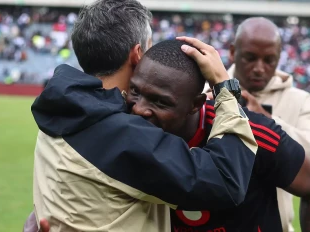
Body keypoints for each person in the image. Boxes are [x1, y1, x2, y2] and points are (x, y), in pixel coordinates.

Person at [28, 39, 310, 232]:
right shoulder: (122, 128)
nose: (140, 110)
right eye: (136, 91)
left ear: (196, 104)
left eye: (160, 102)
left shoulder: (248, 133)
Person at [27, 0, 258, 231]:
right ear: (138, 54)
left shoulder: (61, 105)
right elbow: (226, 180)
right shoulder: (122, 136)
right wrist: (224, 87)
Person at [227, 17, 310, 232]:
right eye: (250, 58)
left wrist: (268, 122)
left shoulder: (300, 101)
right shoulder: (206, 92)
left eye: (269, 60)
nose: (259, 68)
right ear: (232, 52)